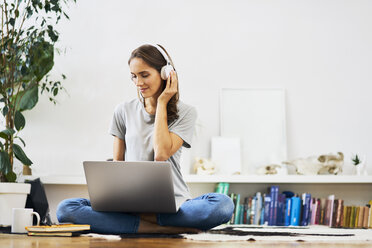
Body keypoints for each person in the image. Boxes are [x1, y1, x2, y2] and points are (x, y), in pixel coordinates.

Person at [56, 44, 234, 234]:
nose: (138, 82)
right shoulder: (123, 111)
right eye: (134, 76)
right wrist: (116, 200)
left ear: (165, 73)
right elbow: (117, 165)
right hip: (129, 203)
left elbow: (161, 154)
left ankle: (135, 223)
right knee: (66, 209)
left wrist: (162, 102)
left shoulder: (186, 112)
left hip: (175, 203)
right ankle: (161, 228)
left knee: (223, 205)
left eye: (144, 75)